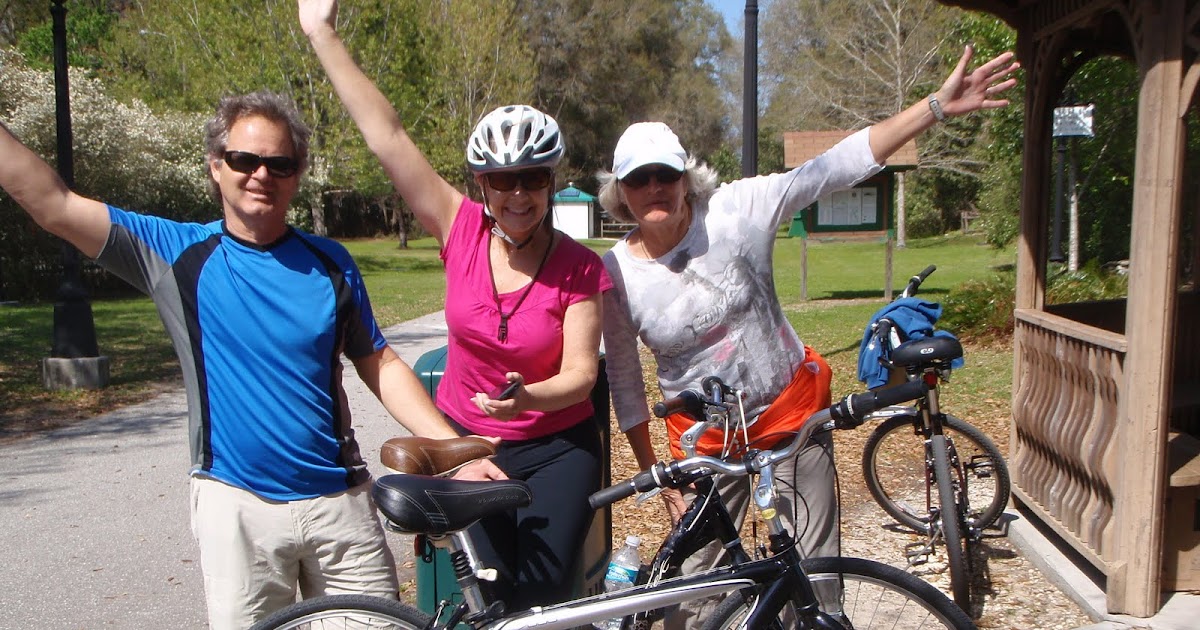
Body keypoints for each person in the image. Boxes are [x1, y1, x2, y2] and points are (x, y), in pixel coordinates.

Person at [0, 89, 506, 629]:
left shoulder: (330, 263)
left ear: (296, 174)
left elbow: (378, 362)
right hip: (237, 507)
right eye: (245, 160)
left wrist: (454, 452)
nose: (261, 174)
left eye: (279, 163)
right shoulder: (175, 255)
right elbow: (53, 203)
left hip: (340, 503)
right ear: (216, 166)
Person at [598, 45, 1020, 628]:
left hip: (792, 419)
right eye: (638, 179)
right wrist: (658, 482)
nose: (654, 188)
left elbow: (837, 165)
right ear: (620, 192)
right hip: (703, 445)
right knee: (696, 604)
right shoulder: (616, 275)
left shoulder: (737, 210)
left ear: (685, 176)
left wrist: (934, 108)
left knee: (815, 587)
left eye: (665, 173)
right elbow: (623, 380)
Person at [300, 0, 612, 611]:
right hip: (465, 443)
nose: (517, 193)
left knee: (546, 600)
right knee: (490, 598)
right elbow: (386, 136)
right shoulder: (458, 226)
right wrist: (322, 34)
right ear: (481, 185)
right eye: (502, 179)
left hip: (556, 449)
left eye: (532, 178)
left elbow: (580, 377)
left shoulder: (579, 266)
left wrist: (529, 396)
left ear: (550, 181)